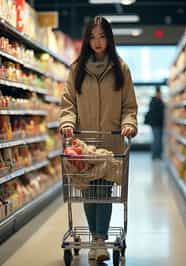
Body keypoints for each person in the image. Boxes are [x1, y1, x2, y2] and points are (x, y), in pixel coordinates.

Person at [59, 16, 137, 262]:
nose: (97, 42)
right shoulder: (77, 69)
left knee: (103, 192)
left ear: (109, 38)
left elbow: (129, 106)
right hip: (84, 145)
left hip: (111, 144)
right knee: (88, 193)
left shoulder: (121, 68)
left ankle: (99, 240)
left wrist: (128, 124)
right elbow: (68, 102)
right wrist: (67, 122)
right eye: (92, 37)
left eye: (102, 36)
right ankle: (96, 238)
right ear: (87, 39)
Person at [148, 86, 165, 160]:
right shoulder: (155, 100)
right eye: (160, 93)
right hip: (156, 124)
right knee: (157, 139)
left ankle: (157, 155)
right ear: (158, 92)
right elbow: (156, 113)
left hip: (159, 124)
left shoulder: (157, 100)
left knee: (158, 139)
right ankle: (155, 155)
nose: (160, 94)